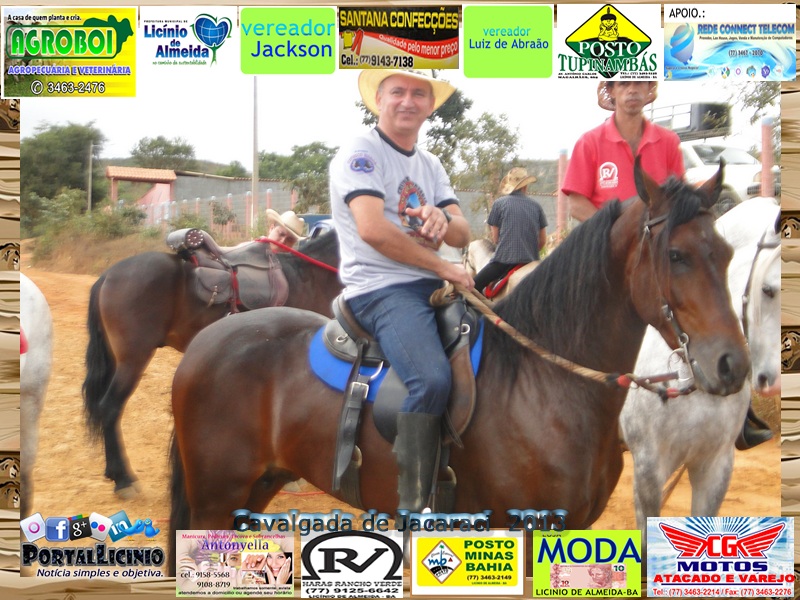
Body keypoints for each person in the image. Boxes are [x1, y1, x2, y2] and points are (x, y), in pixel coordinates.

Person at [330, 68, 473, 514]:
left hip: (431, 285)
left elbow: (463, 232)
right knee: (430, 380)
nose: (408, 101)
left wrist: (443, 219)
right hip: (381, 288)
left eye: (418, 94)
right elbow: (372, 229)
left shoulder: (430, 164)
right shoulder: (362, 153)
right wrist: (443, 266)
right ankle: (414, 506)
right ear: (380, 100)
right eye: (397, 92)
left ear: (430, 106)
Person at [561, 81, 684, 222]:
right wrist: (613, 230)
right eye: (624, 84)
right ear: (611, 90)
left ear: (649, 87)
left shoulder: (669, 141)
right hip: (604, 234)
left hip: (658, 234)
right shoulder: (588, 142)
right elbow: (577, 205)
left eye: (639, 83)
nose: (632, 90)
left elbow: (679, 197)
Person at [472, 167, 548, 294]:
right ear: (525, 186)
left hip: (503, 260)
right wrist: (527, 251)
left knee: (471, 289)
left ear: (510, 186)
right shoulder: (536, 206)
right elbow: (542, 241)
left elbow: (496, 239)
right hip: (531, 260)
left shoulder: (499, 204)